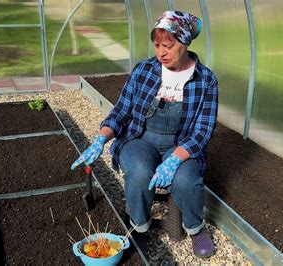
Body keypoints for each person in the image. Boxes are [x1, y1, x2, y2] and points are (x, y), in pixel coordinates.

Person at [71, 10, 218, 258]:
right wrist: (101, 138)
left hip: (180, 144)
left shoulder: (205, 80)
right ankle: (138, 225)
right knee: (139, 172)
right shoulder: (145, 70)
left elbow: (203, 130)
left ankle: (195, 228)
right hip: (141, 139)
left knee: (186, 180)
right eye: (157, 45)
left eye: (168, 46)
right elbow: (121, 112)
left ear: (184, 43)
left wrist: (175, 159)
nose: (161, 52)